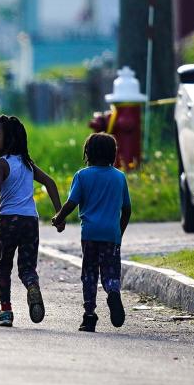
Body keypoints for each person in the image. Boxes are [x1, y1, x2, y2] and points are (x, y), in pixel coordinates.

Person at [0, 115, 62, 327]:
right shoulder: (27, 164)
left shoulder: (0, 164)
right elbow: (50, 182)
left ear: (9, 139)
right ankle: (32, 285)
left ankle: (6, 311)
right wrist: (59, 213)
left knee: (4, 267)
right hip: (31, 221)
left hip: (10, 221)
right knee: (27, 268)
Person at [51, 132, 131, 332]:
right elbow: (127, 209)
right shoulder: (119, 177)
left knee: (89, 274)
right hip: (111, 234)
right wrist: (119, 232)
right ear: (113, 154)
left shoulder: (82, 175)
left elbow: (72, 202)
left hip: (90, 234)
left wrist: (59, 218)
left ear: (88, 153)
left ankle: (89, 316)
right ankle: (113, 292)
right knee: (111, 272)